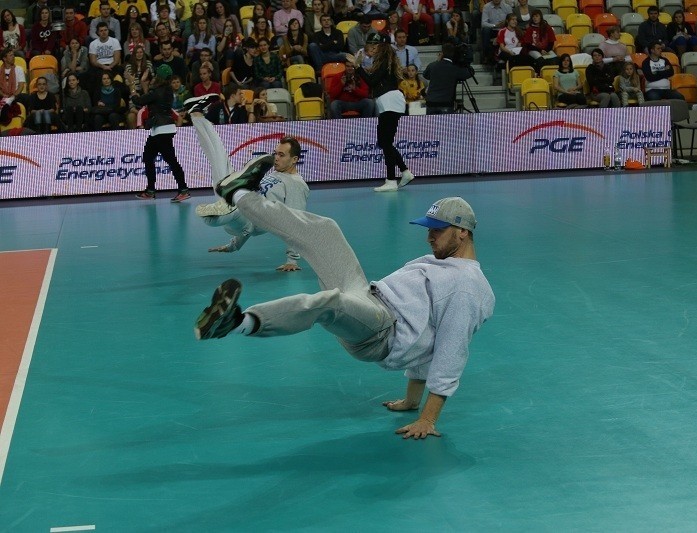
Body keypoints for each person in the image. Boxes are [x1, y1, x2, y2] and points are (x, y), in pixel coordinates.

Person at [194, 190, 495, 440]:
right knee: (325, 231)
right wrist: (411, 401)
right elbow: (426, 335)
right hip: (367, 298)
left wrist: (427, 418)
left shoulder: (466, 286)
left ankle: (236, 323)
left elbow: (449, 349)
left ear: (462, 232)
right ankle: (240, 194)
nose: (429, 237)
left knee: (330, 303)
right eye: (428, 229)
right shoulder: (439, 263)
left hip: (381, 332)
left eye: (437, 230)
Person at [183, 92, 308, 270]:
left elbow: (296, 223)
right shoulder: (275, 175)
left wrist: (292, 260)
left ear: (294, 159)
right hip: (244, 204)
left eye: (281, 155)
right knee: (219, 158)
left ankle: (224, 204)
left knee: (218, 215)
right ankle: (196, 114)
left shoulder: (296, 185)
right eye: (275, 154)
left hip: (249, 221)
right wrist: (233, 246)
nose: (276, 158)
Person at [351, 33, 414, 192]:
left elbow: (371, 81)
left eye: (376, 44)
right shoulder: (387, 61)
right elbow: (373, 78)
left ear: (382, 46)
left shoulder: (385, 61)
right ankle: (404, 172)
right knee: (386, 141)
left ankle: (391, 180)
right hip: (390, 102)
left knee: (385, 142)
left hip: (390, 102)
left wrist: (358, 67)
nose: (373, 47)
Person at [131, 64, 191, 202]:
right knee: (148, 157)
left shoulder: (158, 91)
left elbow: (139, 101)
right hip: (160, 129)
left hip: (161, 130)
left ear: (159, 76)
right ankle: (150, 190)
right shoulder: (167, 90)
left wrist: (132, 87)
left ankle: (183, 190)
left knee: (171, 160)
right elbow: (150, 97)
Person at [422, 42, 473, 114]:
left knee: (432, 125)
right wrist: (466, 62)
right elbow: (470, 73)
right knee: (445, 125)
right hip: (446, 103)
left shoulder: (433, 65)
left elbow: (425, 75)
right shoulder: (455, 68)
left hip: (431, 103)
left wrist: (437, 61)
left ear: (442, 53)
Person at [88, 22, 123, 92]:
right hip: (99, 67)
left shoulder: (115, 41)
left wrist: (109, 66)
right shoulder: (93, 44)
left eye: (105, 30)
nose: (104, 32)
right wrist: (103, 67)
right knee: (92, 76)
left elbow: (117, 59)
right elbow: (93, 61)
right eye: (101, 31)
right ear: (98, 32)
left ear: (108, 31)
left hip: (112, 66)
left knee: (121, 72)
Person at [480, 0, 511, 65]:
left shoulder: (507, 7)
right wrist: (495, 25)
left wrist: (505, 23)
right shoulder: (486, 7)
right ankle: (486, 56)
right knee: (485, 30)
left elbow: (512, 21)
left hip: (504, 30)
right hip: (492, 30)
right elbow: (483, 23)